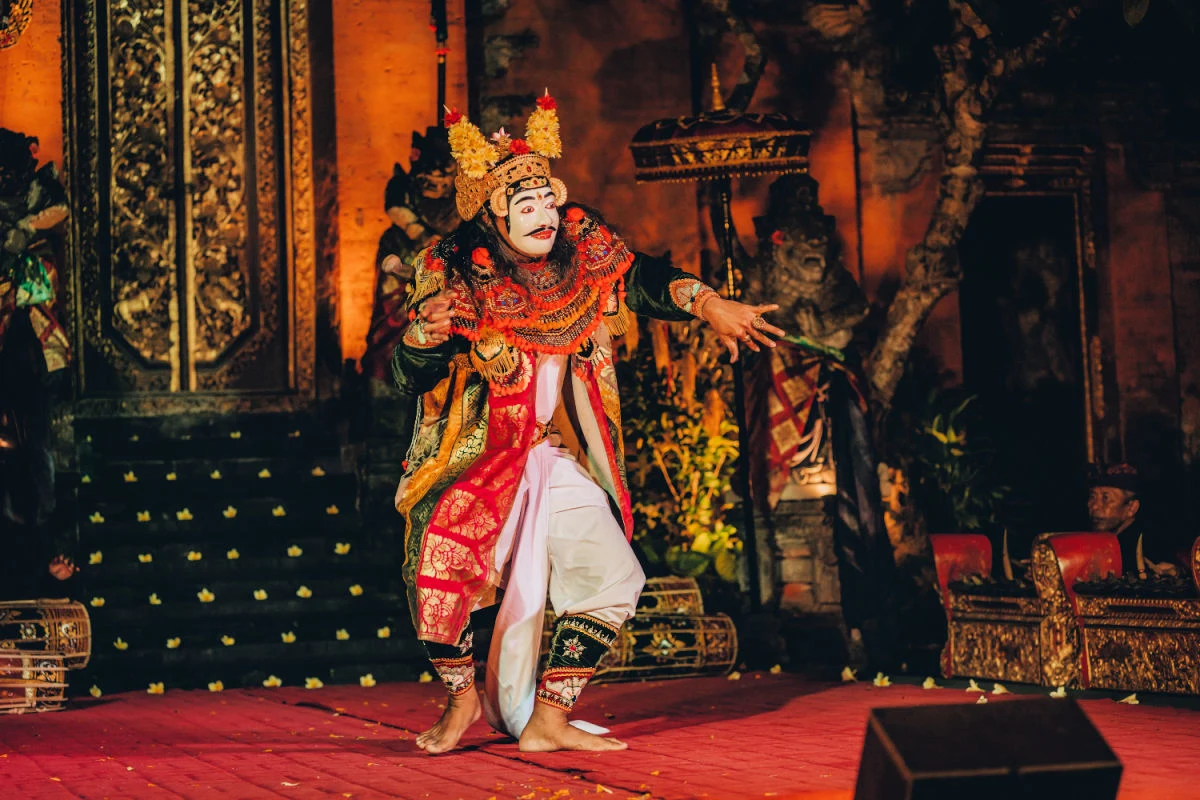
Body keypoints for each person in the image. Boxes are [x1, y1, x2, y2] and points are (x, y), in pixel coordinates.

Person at [391, 94, 784, 754]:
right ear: (494, 213)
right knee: (441, 578)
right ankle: (461, 704)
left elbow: (648, 280)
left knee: (614, 579)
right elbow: (412, 370)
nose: (544, 215)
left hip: (550, 455)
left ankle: (548, 718)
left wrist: (710, 303)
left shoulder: (582, 250)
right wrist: (427, 340)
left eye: (547, 199)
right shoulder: (457, 268)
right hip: (480, 457)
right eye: (525, 206)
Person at [1087, 463, 1176, 577]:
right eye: (1092, 497)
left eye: (1106, 498)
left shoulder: (1149, 549)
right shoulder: (1090, 543)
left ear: (1131, 508)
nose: (1094, 506)